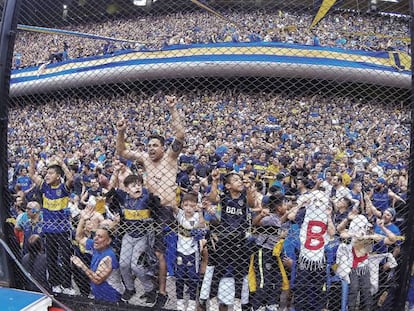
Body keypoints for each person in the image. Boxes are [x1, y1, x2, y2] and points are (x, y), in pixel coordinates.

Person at [116, 95, 185, 309]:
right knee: (147, 254)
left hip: (164, 210)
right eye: (149, 145)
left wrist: (172, 108)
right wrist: (121, 132)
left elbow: (181, 134)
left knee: (158, 253)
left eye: (155, 145)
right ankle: (151, 288)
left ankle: (163, 292)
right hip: (148, 209)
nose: (151, 148)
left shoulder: (170, 158)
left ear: (164, 147)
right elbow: (122, 152)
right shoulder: (145, 158)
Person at [199, 170, 255, 311]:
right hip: (224, 239)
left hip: (239, 240)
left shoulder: (243, 196)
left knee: (239, 271)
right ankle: (212, 299)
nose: (240, 181)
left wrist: (248, 188)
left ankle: (237, 301)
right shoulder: (224, 197)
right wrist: (215, 181)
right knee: (218, 270)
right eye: (236, 180)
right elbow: (212, 198)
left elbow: (252, 203)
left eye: (240, 179)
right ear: (228, 186)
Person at [28, 150, 75, 295]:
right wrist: (32, 160)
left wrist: (62, 164)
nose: (47, 175)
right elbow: (32, 174)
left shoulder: (63, 188)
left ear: (58, 176)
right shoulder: (44, 187)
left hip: (63, 230)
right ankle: (55, 284)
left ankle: (67, 286)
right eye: (46, 173)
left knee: (66, 258)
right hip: (49, 230)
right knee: (51, 259)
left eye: (51, 173)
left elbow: (71, 179)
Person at [71, 224, 125, 303]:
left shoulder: (108, 257)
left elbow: (97, 280)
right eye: (95, 235)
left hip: (111, 295)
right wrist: (82, 219)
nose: (95, 238)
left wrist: (82, 265)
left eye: (100, 237)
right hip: (99, 294)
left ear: (108, 241)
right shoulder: (96, 245)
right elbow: (79, 237)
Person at [171, 192, 206, 311]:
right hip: (180, 252)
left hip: (193, 252)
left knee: (193, 278)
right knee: (179, 277)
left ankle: (191, 302)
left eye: (192, 206)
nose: (189, 208)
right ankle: (180, 301)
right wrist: (173, 189)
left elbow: (202, 224)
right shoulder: (180, 214)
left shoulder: (197, 216)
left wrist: (200, 211)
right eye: (186, 205)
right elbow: (172, 205)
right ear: (182, 205)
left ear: (196, 206)